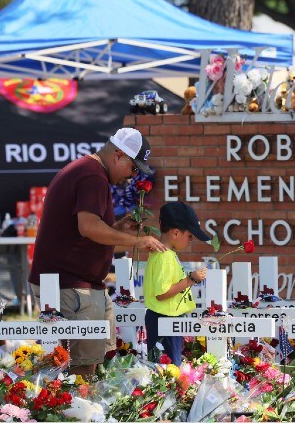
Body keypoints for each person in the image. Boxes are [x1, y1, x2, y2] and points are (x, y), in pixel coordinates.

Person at [28, 128, 166, 380]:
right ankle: (80, 415)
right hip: (69, 284)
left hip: (75, 283)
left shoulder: (87, 171)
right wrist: (136, 241)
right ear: (118, 156)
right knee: (81, 370)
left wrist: (116, 229)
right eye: (134, 168)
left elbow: (83, 233)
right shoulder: (93, 176)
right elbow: (89, 227)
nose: (132, 177)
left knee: (95, 359)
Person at [143, 201, 210, 366]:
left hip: (165, 317)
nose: (191, 240)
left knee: (167, 365)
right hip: (164, 318)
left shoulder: (165, 254)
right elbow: (162, 293)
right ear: (175, 233)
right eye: (189, 236)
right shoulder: (165, 257)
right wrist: (190, 280)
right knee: (168, 367)